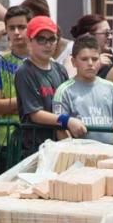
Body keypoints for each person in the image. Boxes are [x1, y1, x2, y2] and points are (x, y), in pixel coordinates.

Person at [52, 35, 113, 145]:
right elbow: (59, 127)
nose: (90, 63)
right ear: (73, 62)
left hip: (108, 156)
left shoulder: (111, 88)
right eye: (84, 59)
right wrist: (73, 151)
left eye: (95, 59)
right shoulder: (64, 91)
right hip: (77, 157)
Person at [15, 15, 70, 156]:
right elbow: (35, 114)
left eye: (52, 39)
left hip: (59, 145)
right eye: (41, 39)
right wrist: (67, 121)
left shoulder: (60, 69)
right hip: (35, 148)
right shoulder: (25, 71)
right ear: (29, 41)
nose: (47, 44)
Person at [0, 5, 31, 153]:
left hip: (35, 137)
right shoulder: (0, 61)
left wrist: (11, 105)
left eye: (21, 27)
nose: (16, 32)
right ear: (6, 30)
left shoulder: (44, 62)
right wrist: (29, 103)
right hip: (5, 139)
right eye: (11, 28)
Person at [70, 14, 113, 78]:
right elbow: (72, 85)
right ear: (89, 35)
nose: (110, 37)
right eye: (106, 33)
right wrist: (96, 66)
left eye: (110, 32)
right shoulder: (73, 60)